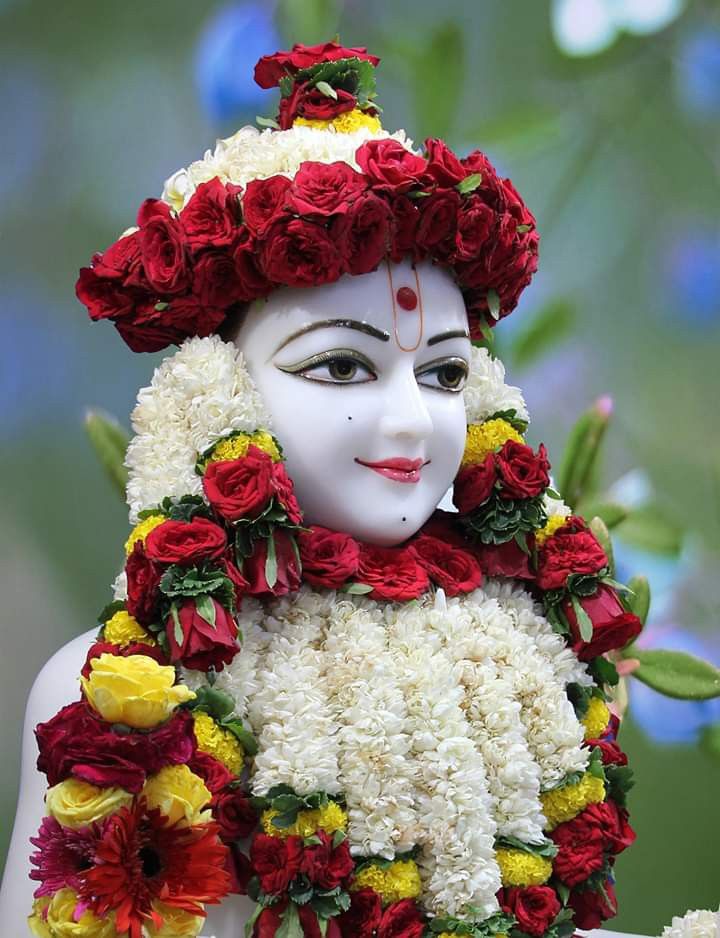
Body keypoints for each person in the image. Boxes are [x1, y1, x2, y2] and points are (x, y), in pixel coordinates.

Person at [0, 42, 640, 938]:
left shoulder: (528, 657)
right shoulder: (119, 689)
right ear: (217, 395)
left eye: (447, 375)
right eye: (343, 366)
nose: (413, 421)